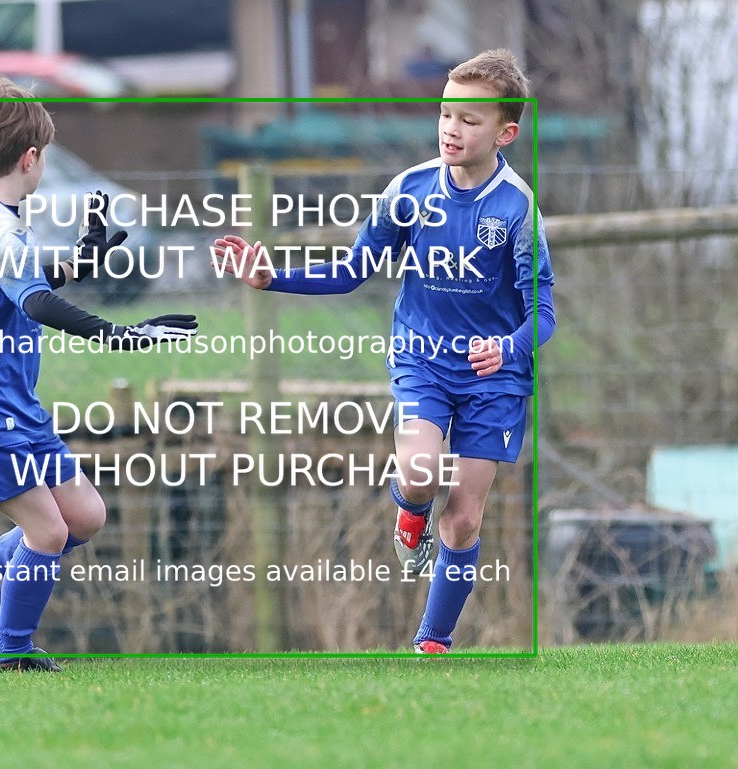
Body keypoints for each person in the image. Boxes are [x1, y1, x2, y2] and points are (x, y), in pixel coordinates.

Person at [212, 49, 555, 654]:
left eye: (470, 120)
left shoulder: (517, 209)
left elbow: (543, 315)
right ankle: (408, 510)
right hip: (423, 358)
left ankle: (433, 642)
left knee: (467, 517)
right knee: (420, 472)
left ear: (506, 132)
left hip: (493, 377)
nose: (452, 128)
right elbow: (352, 272)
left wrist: (507, 349)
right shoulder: (409, 190)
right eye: (446, 113)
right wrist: (274, 277)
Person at [0, 73, 197, 671]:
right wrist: (120, 334)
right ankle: (10, 651)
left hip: (10, 405)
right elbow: (36, 301)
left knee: (85, 517)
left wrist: (83, 258)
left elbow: (24, 279)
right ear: (32, 159)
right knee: (47, 533)